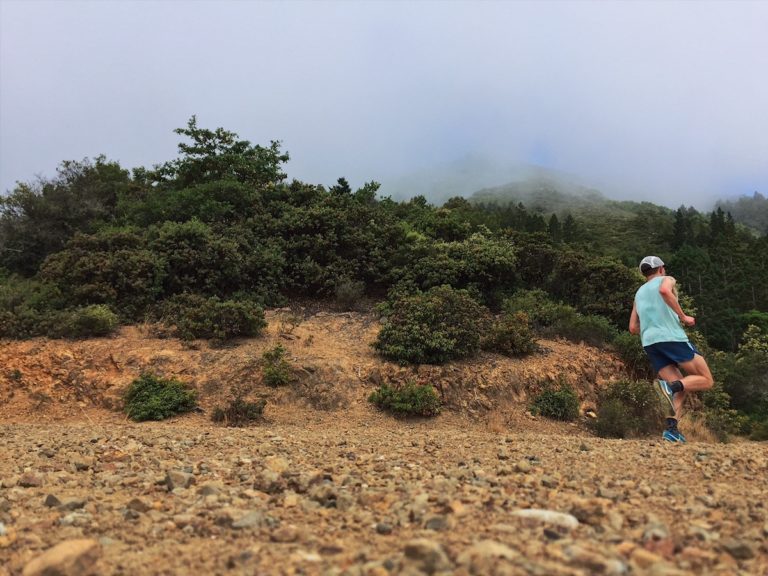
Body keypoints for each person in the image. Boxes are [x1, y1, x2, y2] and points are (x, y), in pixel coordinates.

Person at [629, 256, 714, 442]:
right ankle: (669, 387)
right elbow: (664, 291)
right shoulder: (666, 279)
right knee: (707, 380)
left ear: (644, 273)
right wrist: (683, 317)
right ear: (661, 269)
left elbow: (633, 328)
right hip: (671, 338)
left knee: (681, 385)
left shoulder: (639, 293)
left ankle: (671, 430)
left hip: (650, 343)